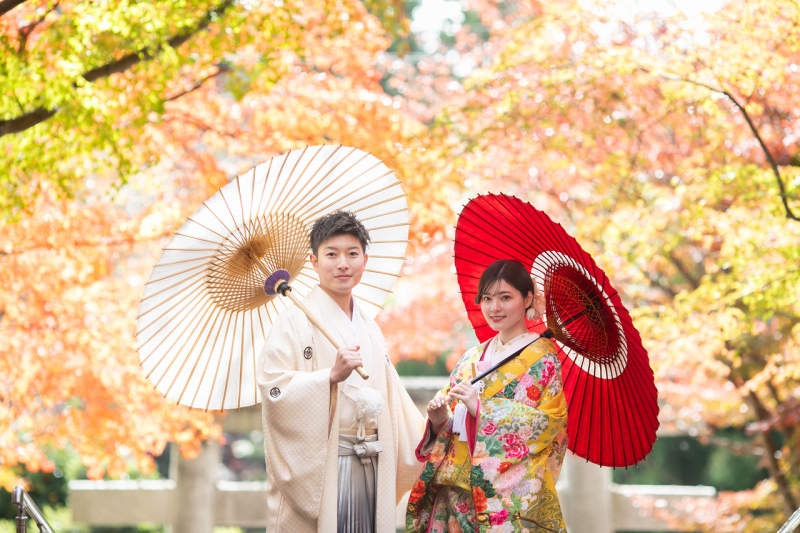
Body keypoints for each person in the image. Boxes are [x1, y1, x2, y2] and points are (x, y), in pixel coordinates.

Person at [256, 210, 424, 533]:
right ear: (314, 261)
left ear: (364, 259)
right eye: (331, 254)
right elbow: (273, 388)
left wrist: (430, 431)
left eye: (352, 253)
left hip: (370, 463)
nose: (342, 263)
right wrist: (328, 378)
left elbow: (393, 398)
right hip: (322, 468)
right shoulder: (292, 323)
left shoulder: (370, 328)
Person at [406, 259, 568, 533]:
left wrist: (481, 409)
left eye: (506, 297)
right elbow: (450, 420)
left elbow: (547, 424)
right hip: (454, 490)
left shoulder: (544, 359)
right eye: (488, 298)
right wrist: (437, 421)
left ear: (527, 298)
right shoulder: (471, 356)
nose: (495, 308)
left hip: (499, 496)